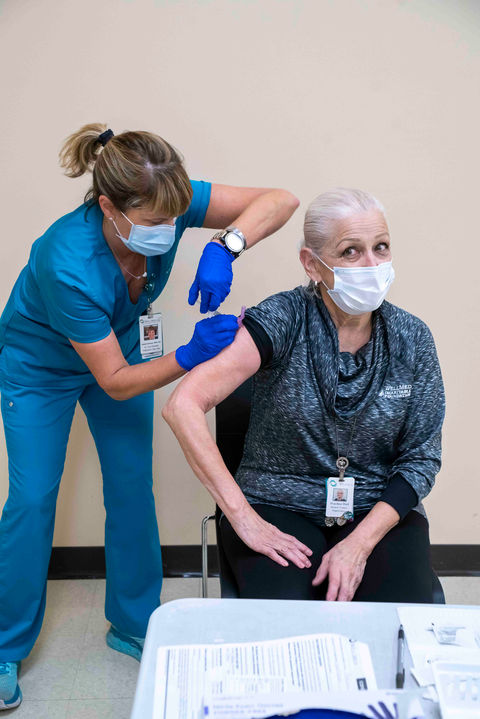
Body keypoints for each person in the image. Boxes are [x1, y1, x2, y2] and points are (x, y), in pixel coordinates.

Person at [0, 123, 299, 710]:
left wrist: (224, 246)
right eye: (156, 221)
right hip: (39, 368)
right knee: (33, 497)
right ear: (109, 206)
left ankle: (135, 623)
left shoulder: (169, 200)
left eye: (176, 217)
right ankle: (5, 643)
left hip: (121, 347)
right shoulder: (66, 261)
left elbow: (281, 201)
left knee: (133, 485)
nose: (170, 229)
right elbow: (113, 383)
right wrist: (190, 355)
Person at [163, 188, 445, 606]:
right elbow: (182, 405)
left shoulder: (412, 338)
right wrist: (241, 516)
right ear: (312, 264)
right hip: (278, 505)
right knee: (289, 623)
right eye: (351, 251)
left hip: (375, 509)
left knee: (399, 618)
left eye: (380, 247)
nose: (372, 264)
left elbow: (421, 458)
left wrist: (359, 544)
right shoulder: (282, 319)